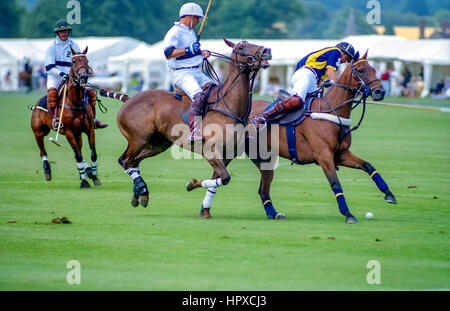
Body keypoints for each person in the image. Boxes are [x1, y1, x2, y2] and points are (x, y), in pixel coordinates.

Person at [252, 42, 356, 129]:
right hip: (306, 74)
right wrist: (337, 87)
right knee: (297, 100)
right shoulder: (336, 51)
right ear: (343, 51)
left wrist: (325, 83)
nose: (345, 61)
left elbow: (322, 79)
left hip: (311, 78)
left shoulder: (326, 59)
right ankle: (262, 118)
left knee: (314, 107)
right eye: (347, 58)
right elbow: (330, 72)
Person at [163, 2, 213, 143]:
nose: (198, 21)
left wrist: (200, 52)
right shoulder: (175, 32)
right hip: (183, 73)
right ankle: (194, 131)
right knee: (199, 96)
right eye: (197, 18)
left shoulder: (190, 32)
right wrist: (188, 49)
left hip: (198, 72)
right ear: (189, 17)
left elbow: (191, 52)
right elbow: (169, 53)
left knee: (217, 90)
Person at [45, 19, 108, 130]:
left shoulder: (74, 45)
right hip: (55, 77)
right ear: (58, 33)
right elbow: (49, 67)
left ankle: (92, 119)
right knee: (52, 93)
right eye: (61, 32)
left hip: (72, 77)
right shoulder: (51, 47)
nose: (64, 34)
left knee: (91, 93)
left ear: (68, 32)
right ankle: (55, 119)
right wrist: (61, 73)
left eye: (66, 31)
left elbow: (80, 61)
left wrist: (81, 74)